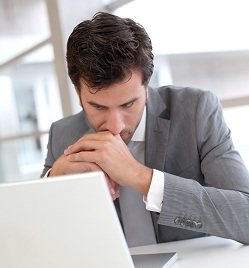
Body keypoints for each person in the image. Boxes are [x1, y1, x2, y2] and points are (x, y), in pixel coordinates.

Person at [41, 11, 249, 246]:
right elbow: (35, 236)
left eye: (128, 104)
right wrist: (54, 181)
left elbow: (245, 217)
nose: (115, 126)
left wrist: (141, 177)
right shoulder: (62, 135)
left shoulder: (196, 111)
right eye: (98, 107)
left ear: (147, 87)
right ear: (79, 95)